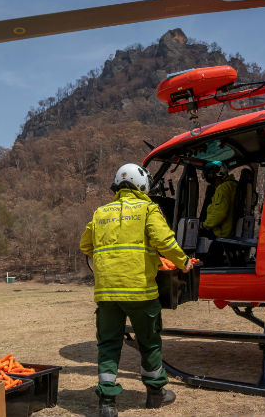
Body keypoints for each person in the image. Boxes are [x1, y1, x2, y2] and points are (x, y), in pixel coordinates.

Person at [80, 163, 192, 417]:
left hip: (107, 294)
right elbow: (164, 241)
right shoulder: (147, 209)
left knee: (108, 344)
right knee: (149, 343)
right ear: (142, 185)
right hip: (141, 291)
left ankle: (107, 402)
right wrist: (183, 262)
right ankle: (155, 394)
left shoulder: (100, 213)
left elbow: (85, 244)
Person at [201, 160, 237, 239]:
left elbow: (220, 213)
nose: (214, 185)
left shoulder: (223, 188)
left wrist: (204, 225)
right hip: (231, 230)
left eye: (212, 180)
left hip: (221, 232)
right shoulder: (233, 185)